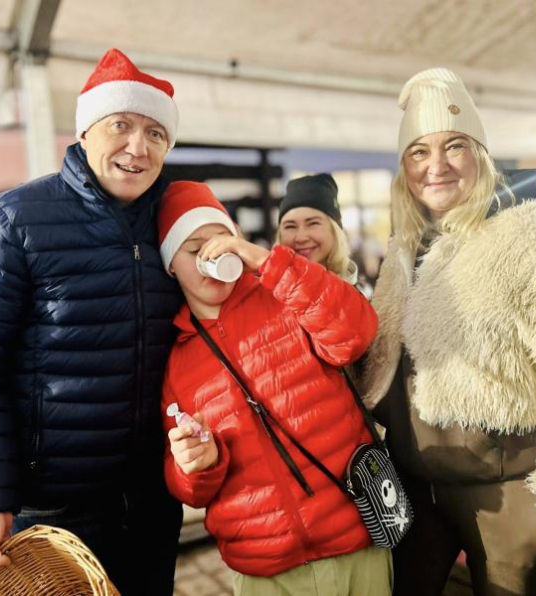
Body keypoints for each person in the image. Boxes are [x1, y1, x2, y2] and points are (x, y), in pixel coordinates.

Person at [358, 67, 536, 596]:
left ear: (481, 153)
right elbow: (384, 363)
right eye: (418, 152)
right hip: (416, 492)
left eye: (454, 145)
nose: (437, 166)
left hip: (507, 499)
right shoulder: (409, 246)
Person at [0, 48, 183, 595]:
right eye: (121, 125)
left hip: (151, 504)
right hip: (52, 511)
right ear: (86, 130)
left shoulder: (176, 227)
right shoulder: (14, 220)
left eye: (156, 133)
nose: (137, 148)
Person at [157, 181, 391, 595]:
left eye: (221, 243)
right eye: (195, 252)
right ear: (170, 264)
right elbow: (188, 488)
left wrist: (264, 260)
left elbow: (356, 332)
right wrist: (197, 465)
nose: (213, 259)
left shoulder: (285, 296)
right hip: (265, 567)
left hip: (354, 541)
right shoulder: (176, 362)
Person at [276, 173, 364, 288]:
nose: (301, 238)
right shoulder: (264, 292)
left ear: (335, 231)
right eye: (290, 226)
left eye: (313, 223)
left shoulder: (362, 297)